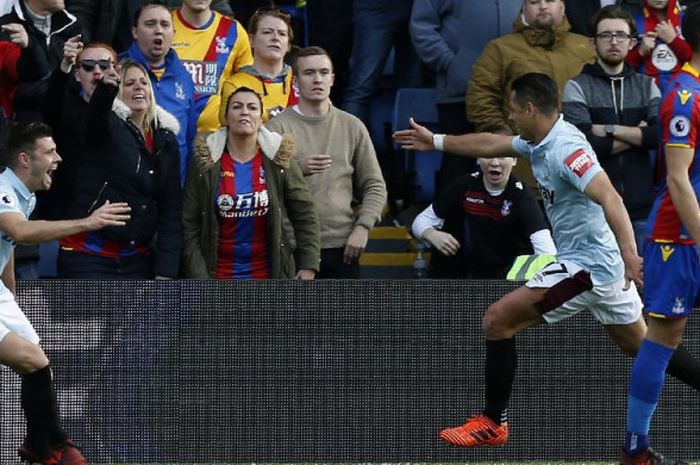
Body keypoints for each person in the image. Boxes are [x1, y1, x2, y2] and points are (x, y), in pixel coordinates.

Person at [393, 72, 700, 449]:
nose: (511, 118)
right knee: (649, 349)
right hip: (599, 267)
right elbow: (492, 142)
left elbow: (611, 198)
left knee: (497, 321)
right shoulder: (538, 140)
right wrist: (437, 140)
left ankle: (493, 422)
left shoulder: (566, 149)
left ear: (530, 108)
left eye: (513, 111)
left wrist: (630, 255)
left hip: (589, 266)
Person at [0, 121, 130, 465]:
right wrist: (87, 223)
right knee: (35, 362)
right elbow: (20, 233)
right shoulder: (3, 190)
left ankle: (41, 444)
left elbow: (7, 244)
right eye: (50, 151)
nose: (58, 158)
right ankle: (52, 445)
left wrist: (9, 294)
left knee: (39, 366)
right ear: (26, 160)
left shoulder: (21, 195)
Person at [620, 3, 700, 464]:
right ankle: (636, 448)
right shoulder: (684, 96)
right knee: (665, 337)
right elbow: (677, 178)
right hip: (679, 240)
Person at [266, 46, 387, 279]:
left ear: (332, 79)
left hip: (342, 247)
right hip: (293, 247)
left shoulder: (353, 126)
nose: (317, 79)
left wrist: (363, 226)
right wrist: (296, 170)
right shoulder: (276, 128)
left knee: (342, 317)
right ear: (295, 81)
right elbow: (261, 186)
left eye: (323, 72)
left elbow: (374, 185)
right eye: (309, 73)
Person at [57, 59, 182, 279]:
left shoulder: (166, 140)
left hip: (138, 260)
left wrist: (165, 270)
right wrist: (106, 89)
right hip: (89, 256)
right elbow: (94, 120)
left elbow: (170, 210)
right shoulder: (106, 125)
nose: (138, 87)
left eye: (144, 83)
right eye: (129, 83)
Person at [182, 86, 320, 279]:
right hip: (217, 276)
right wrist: (199, 277)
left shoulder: (279, 157)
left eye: (252, 107)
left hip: (270, 274)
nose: (245, 112)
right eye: (237, 107)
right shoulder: (205, 161)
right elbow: (189, 224)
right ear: (226, 117)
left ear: (261, 118)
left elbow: (304, 213)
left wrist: (308, 265)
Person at [467, 0, 595, 197]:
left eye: (550, 1)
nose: (543, 6)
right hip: (523, 165)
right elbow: (481, 98)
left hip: (579, 162)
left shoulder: (586, 47)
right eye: (534, 1)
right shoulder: (500, 49)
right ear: (523, 8)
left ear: (562, 5)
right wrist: (505, 142)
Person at [563, 5, 660, 253]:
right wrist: (636, 134)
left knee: (642, 285)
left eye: (621, 35)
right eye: (606, 35)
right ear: (593, 43)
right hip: (593, 211)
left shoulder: (647, 86)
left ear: (631, 43)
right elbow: (583, 145)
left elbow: (658, 136)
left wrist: (607, 129)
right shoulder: (576, 87)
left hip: (641, 208)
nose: (614, 41)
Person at [412, 138, 556, 279]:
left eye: (502, 156)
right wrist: (431, 234)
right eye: (488, 156)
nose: (494, 162)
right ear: (478, 159)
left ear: (514, 160)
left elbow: (546, 249)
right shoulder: (464, 186)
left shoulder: (522, 196)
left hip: (506, 280)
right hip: (464, 276)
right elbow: (420, 221)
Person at [37, 39, 117, 221]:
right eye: (88, 66)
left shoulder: (126, 115)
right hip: (66, 215)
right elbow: (52, 103)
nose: (97, 71)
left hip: (112, 215)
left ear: (116, 71)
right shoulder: (66, 108)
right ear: (77, 75)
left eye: (104, 65)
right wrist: (65, 63)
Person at [121, 1, 195, 183]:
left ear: (173, 33)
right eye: (150, 24)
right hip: (129, 184)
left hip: (175, 183)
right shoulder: (117, 70)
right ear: (135, 32)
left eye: (165, 25)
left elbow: (189, 135)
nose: (158, 30)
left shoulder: (184, 76)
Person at [172, 0, 253, 132]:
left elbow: (248, 87)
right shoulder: (164, 25)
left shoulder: (234, 31)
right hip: (168, 135)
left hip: (215, 139)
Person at [214, 7, 296, 126]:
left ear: (288, 45)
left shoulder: (300, 81)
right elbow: (232, 135)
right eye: (267, 32)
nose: (275, 38)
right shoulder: (235, 85)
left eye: (282, 34)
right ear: (251, 40)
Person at [0, 0, 80, 122]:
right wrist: (29, 46)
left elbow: (78, 82)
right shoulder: (5, 28)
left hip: (66, 120)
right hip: (23, 125)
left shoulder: (74, 27)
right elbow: (25, 77)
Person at [621, 0, 691, 92]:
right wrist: (640, 52)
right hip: (646, 93)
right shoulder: (633, 22)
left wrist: (674, 40)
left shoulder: (687, 19)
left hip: (684, 92)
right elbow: (622, 65)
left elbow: (696, 60)